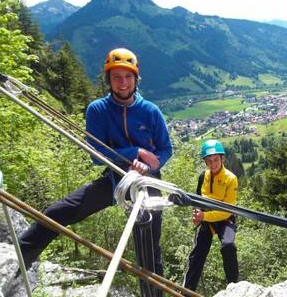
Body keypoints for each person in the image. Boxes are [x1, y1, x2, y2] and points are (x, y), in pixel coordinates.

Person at [18, 48, 172, 295]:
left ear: (136, 79)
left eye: (128, 77)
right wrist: (136, 152)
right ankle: (18, 261)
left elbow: (165, 149)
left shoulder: (150, 111)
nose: (123, 83)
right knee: (58, 212)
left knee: (148, 248)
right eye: (117, 77)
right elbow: (96, 155)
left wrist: (152, 163)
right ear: (108, 80)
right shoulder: (97, 110)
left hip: (146, 182)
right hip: (115, 179)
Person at [183, 139, 239, 292]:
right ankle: (187, 290)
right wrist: (197, 214)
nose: (213, 164)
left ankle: (234, 288)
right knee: (197, 254)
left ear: (222, 159)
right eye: (209, 161)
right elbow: (197, 199)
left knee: (228, 247)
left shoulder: (231, 179)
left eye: (215, 160)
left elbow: (227, 210)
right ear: (205, 162)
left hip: (225, 219)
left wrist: (203, 217)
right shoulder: (203, 176)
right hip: (206, 217)